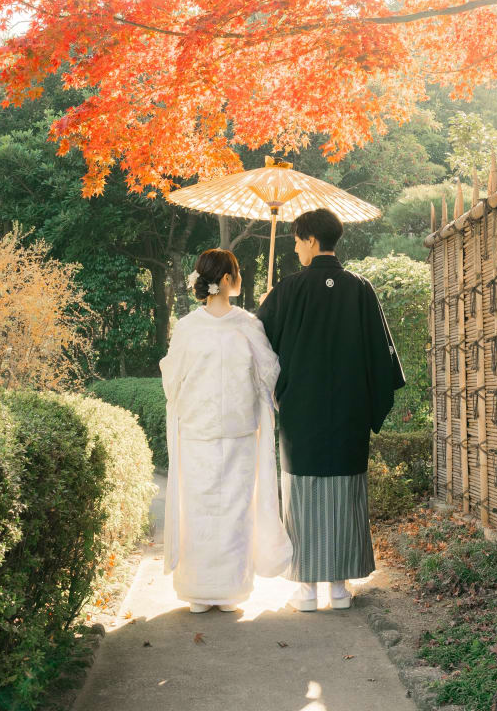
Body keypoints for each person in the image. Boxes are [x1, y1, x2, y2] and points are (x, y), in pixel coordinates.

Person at [257, 207, 404, 612]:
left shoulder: (289, 288)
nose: (296, 249)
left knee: (302, 493)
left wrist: (268, 306)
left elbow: (259, 343)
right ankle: (339, 587)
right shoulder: (360, 288)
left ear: (310, 240)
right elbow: (381, 355)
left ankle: (306, 589)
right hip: (348, 410)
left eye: (297, 241)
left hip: (301, 412)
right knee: (344, 491)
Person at [159, 248, 292, 613]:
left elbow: (172, 379)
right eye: (237, 272)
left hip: (201, 431)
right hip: (235, 430)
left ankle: (201, 592)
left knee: (202, 509)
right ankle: (227, 590)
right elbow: (270, 373)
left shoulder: (189, 327)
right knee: (233, 510)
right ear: (229, 279)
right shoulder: (247, 325)